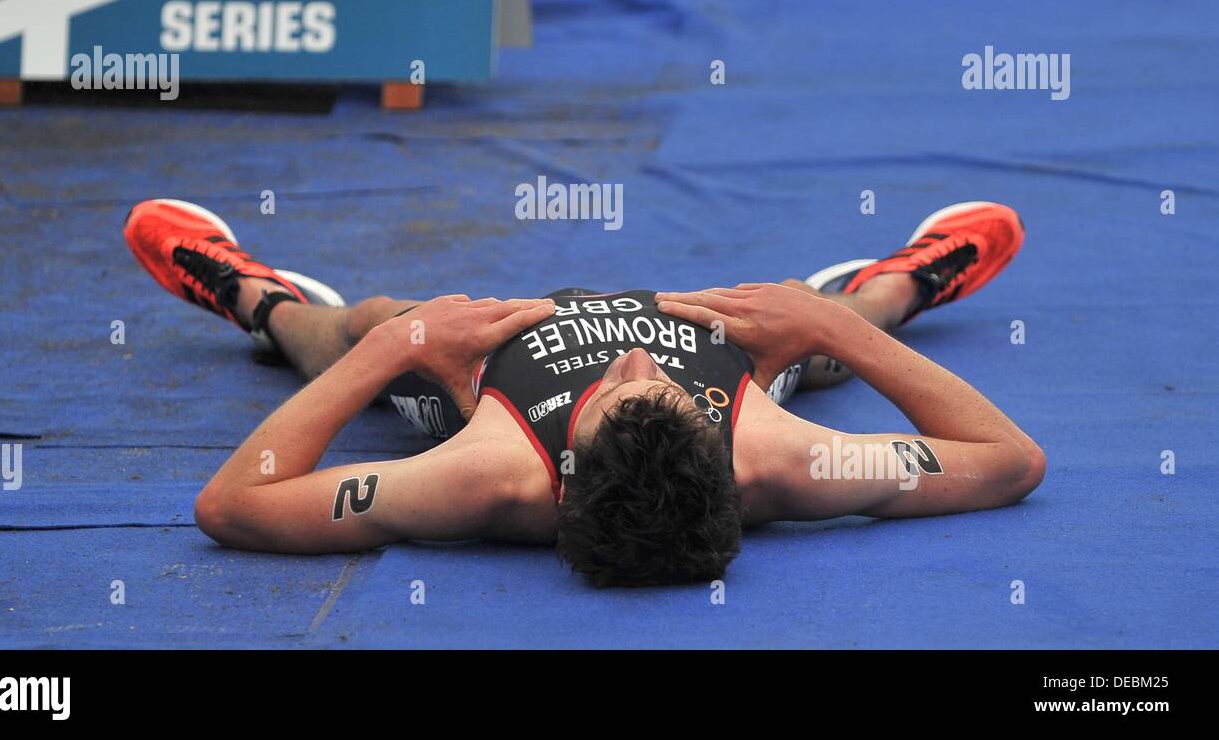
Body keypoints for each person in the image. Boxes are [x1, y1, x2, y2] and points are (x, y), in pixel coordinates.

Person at [124, 198, 1044, 587]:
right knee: (828, 341)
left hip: (478, 371)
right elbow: (1011, 459)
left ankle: (258, 296)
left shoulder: (487, 475)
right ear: (718, 443)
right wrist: (827, 323)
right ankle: (902, 282)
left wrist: (404, 342)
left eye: (616, 392)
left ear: (566, 464)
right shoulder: (778, 459)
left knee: (362, 330)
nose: (639, 360)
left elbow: (232, 503)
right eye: (665, 391)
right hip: (748, 345)